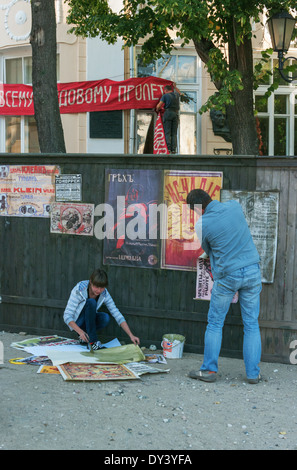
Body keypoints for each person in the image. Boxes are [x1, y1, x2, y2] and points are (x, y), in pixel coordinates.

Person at [186, 189, 262, 384]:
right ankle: (253, 374)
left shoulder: (202, 223)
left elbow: (208, 249)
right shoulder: (235, 206)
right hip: (252, 270)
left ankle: (209, 371)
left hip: (228, 275)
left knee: (215, 323)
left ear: (198, 209)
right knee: (252, 324)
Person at [63, 268, 140, 350]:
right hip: (78, 322)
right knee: (91, 302)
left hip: (89, 323)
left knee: (105, 318)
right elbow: (67, 316)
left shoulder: (104, 293)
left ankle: (85, 338)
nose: (99, 290)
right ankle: (93, 342)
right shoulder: (79, 289)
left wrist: (131, 335)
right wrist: (80, 332)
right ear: (91, 282)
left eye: (102, 287)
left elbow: (116, 313)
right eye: (96, 287)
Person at [156, 83, 181, 153]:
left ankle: (168, 149)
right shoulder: (176, 95)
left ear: (166, 90)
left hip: (168, 113)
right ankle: (173, 149)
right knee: (174, 133)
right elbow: (180, 93)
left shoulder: (165, 96)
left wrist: (157, 109)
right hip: (176, 114)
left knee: (167, 132)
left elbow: (159, 106)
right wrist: (175, 87)